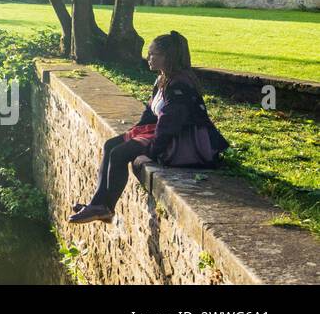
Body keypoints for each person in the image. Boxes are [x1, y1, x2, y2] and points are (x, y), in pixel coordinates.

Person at [68, 31, 229, 224]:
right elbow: (150, 113)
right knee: (111, 145)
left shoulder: (180, 84)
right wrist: (132, 133)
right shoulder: (163, 79)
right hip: (160, 130)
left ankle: (105, 207)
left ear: (168, 57)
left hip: (183, 140)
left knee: (119, 154)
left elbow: (171, 125)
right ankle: (98, 203)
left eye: (153, 54)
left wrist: (152, 152)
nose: (148, 58)